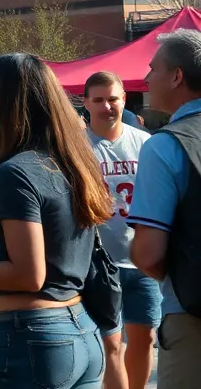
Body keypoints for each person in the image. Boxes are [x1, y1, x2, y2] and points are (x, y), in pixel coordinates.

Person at [0, 54, 110, 389]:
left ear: (9, 101)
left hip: (33, 339)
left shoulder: (15, 172)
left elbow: (28, 274)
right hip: (80, 331)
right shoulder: (71, 161)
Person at [130, 29, 201, 388]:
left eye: (152, 68)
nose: (145, 78)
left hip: (192, 316)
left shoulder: (165, 146)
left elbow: (148, 253)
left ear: (177, 76)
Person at [84, 71, 156, 389]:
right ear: (85, 103)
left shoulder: (145, 143)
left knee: (144, 339)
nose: (106, 106)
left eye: (113, 99)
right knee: (111, 346)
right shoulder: (77, 148)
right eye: (98, 100)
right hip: (96, 260)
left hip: (141, 259)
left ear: (124, 99)